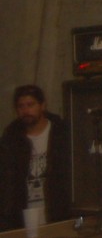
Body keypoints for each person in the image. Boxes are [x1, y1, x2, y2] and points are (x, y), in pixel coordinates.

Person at [0, 85, 72, 230]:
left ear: (42, 105)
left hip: (58, 215)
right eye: (21, 106)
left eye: (30, 105)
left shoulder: (62, 134)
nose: (26, 110)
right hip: (22, 218)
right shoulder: (11, 139)